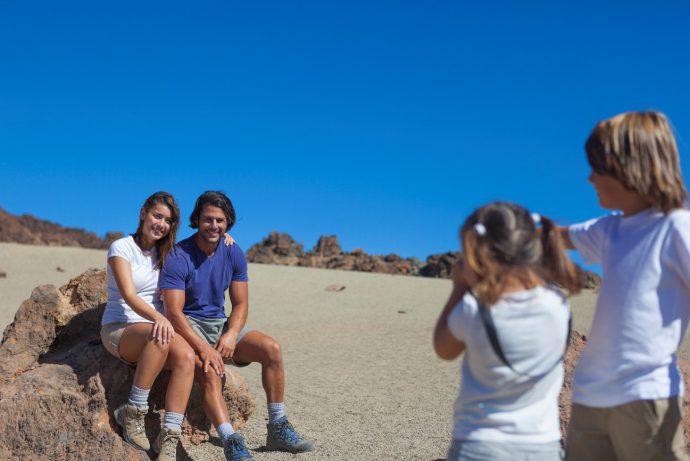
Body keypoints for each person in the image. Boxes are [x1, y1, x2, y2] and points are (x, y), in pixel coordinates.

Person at [560, 111, 690, 460]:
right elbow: (557, 237)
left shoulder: (677, 227)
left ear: (631, 169)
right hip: (590, 396)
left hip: (647, 397)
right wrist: (507, 225)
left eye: (597, 169)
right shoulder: (610, 229)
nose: (589, 178)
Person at [160, 190, 314, 461]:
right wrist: (204, 349)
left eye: (220, 220)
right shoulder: (178, 255)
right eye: (208, 219)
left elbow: (240, 304)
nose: (214, 226)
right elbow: (174, 312)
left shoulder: (234, 252)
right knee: (210, 371)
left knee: (271, 349)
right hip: (188, 326)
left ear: (228, 222)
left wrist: (231, 334)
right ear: (197, 219)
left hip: (220, 325)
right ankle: (231, 439)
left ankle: (277, 427)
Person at [434, 202, 583, 461]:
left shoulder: (473, 310)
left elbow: (443, 348)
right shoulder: (558, 306)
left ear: (480, 256)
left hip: (479, 444)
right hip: (542, 445)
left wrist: (459, 288)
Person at [101, 191, 234, 460]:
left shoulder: (166, 253)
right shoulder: (121, 248)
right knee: (160, 336)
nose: (161, 223)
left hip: (156, 330)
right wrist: (159, 317)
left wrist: (226, 239)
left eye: (169, 220)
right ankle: (133, 411)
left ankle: (169, 436)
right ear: (143, 213)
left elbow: (206, 244)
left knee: (186, 356)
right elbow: (129, 294)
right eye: (157, 216)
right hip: (121, 327)